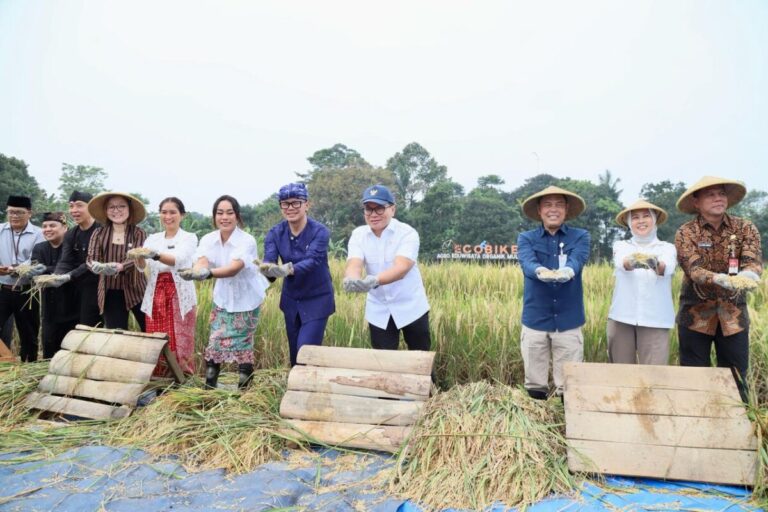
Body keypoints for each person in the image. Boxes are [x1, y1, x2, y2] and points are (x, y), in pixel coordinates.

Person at [675, 176, 762, 398]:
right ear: (696, 202)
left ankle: (740, 425)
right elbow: (693, 268)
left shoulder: (745, 228)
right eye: (710, 195)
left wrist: (749, 274)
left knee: (736, 377)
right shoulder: (686, 232)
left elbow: (752, 260)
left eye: (721, 194)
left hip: (733, 315)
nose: (718, 198)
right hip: (695, 315)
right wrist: (718, 278)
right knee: (694, 378)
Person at [179, 195, 269, 389]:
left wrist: (207, 274)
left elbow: (234, 268)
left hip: (246, 299)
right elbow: (202, 259)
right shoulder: (209, 239)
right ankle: (210, 388)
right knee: (215, 341)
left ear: (237, 216)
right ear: (214, 217)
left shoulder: (247, 240)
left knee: (243, 343)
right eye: (220, 213)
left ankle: (245, 390)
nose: (224, 217)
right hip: (222, 299)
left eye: (229, 213)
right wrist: (198, 270)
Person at [517, 185, 590, 399]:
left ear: (566, 209)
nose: (553, 209)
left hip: (569, 319)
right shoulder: (526, 238)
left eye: (559, 204)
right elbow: (527, 262)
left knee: (568, 382)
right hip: (535, 319)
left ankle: (565, 425)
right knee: (534, 382)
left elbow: (578, 259)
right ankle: (536, 425)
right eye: (548, 205)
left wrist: (568, 270)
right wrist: (540, 271)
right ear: (539, 210)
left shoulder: (580, 236)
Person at [343, 184, 431, 351]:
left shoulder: (407, 233)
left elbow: (401, 268)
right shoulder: (359, 234)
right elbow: (354, 263)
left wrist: (374, 280)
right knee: (383, 363)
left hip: (411, 306)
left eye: (379, 209)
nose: (373, 214)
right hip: (379, 309)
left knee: (420, 359)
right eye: (368, 209)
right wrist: (352, 279)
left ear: (392, 209)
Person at [261, 183, 335, 367]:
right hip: (291, 301)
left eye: (296, 203)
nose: (290, 208)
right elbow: (269, 260)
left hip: (317, 299)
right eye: (285, 204)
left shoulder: (320, 231)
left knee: (306, 352)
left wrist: (287, 270)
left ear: (306, 204)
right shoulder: (275, 233)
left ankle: (309, 391)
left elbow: (313, 261)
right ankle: (298, 392)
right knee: (295, 354)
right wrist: (266, 269)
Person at [606, 199, 676, 365]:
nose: (641, 221)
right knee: (621, 372)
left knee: (654, 374)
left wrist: (654, 263)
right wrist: (633, 261)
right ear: (630, 223)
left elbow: (666, 269)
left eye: (646, 216)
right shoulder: (622, 245)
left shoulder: (666, 248)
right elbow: (622, 263)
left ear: (654, 220)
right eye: (635, 217)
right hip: (622, 316)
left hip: (655, 319)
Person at [134, 197, 198, 376]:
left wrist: (153, 255)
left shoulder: (189, 238)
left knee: (179, 340)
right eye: (164, 212)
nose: (167, 216)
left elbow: (177, 259)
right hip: (155, 294)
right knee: (156, 339)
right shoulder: (152, 238)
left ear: (182, 215)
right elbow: (142, 267)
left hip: (179, 294)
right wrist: (138, 256)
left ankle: (182, 381)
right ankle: (160, 383)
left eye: (172, 212)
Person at [39, 191, 102, 327]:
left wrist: (68, 276)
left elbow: (92, 261)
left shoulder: (102, 229)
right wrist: (56, 276)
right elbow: (66, 261)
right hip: (78, 285)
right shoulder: (72, 234)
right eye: (71, 206)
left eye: (79, 206)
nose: (74, 210)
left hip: (99, 286)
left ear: (91, 207)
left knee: (90, 326)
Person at [86, 192, 148, 330]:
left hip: (137, 288)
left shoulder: (139, 233)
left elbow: (138, 256)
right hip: (110, 291)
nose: (116, 210)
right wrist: (96, 266)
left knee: (150, 329)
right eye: (111, 207)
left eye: (121, 206)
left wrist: (120, 266)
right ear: (106, 211)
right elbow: (91, 258)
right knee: (117, 333)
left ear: (129, 209)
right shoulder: (99, 233)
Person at [0, 195, 44, 361]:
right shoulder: (0, 229)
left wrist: (15, 269)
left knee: (29, 334)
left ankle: (29, 368)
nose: (14, 216)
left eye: (19, 212)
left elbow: (36, 258)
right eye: (11, 212)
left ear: (29, 213)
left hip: (27, 292)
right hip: (3, 289)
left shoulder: (39, 233)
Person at [31, 212, 78, 358]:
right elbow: (35, 271)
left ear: (64, 227)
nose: (47, 229)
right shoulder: (39, 248)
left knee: (71, 351)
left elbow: (74, 268)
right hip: (49, 307)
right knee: (49, 348)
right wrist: (44, 270)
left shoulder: (73, 246)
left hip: (73, 306)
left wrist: (47, 268)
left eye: (52, 225)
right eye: (44, 226)